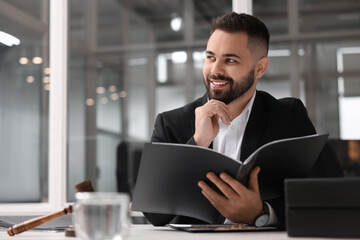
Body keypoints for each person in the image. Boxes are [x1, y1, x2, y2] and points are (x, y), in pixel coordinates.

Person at [143, 12, 342, 229]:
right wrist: (197, 142)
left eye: (230, 60)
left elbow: (332, 198)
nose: (215, 70)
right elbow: (154, 214)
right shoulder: (171, 123)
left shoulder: (289, 115)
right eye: (210, 57)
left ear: (260, 68)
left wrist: (260, 213)